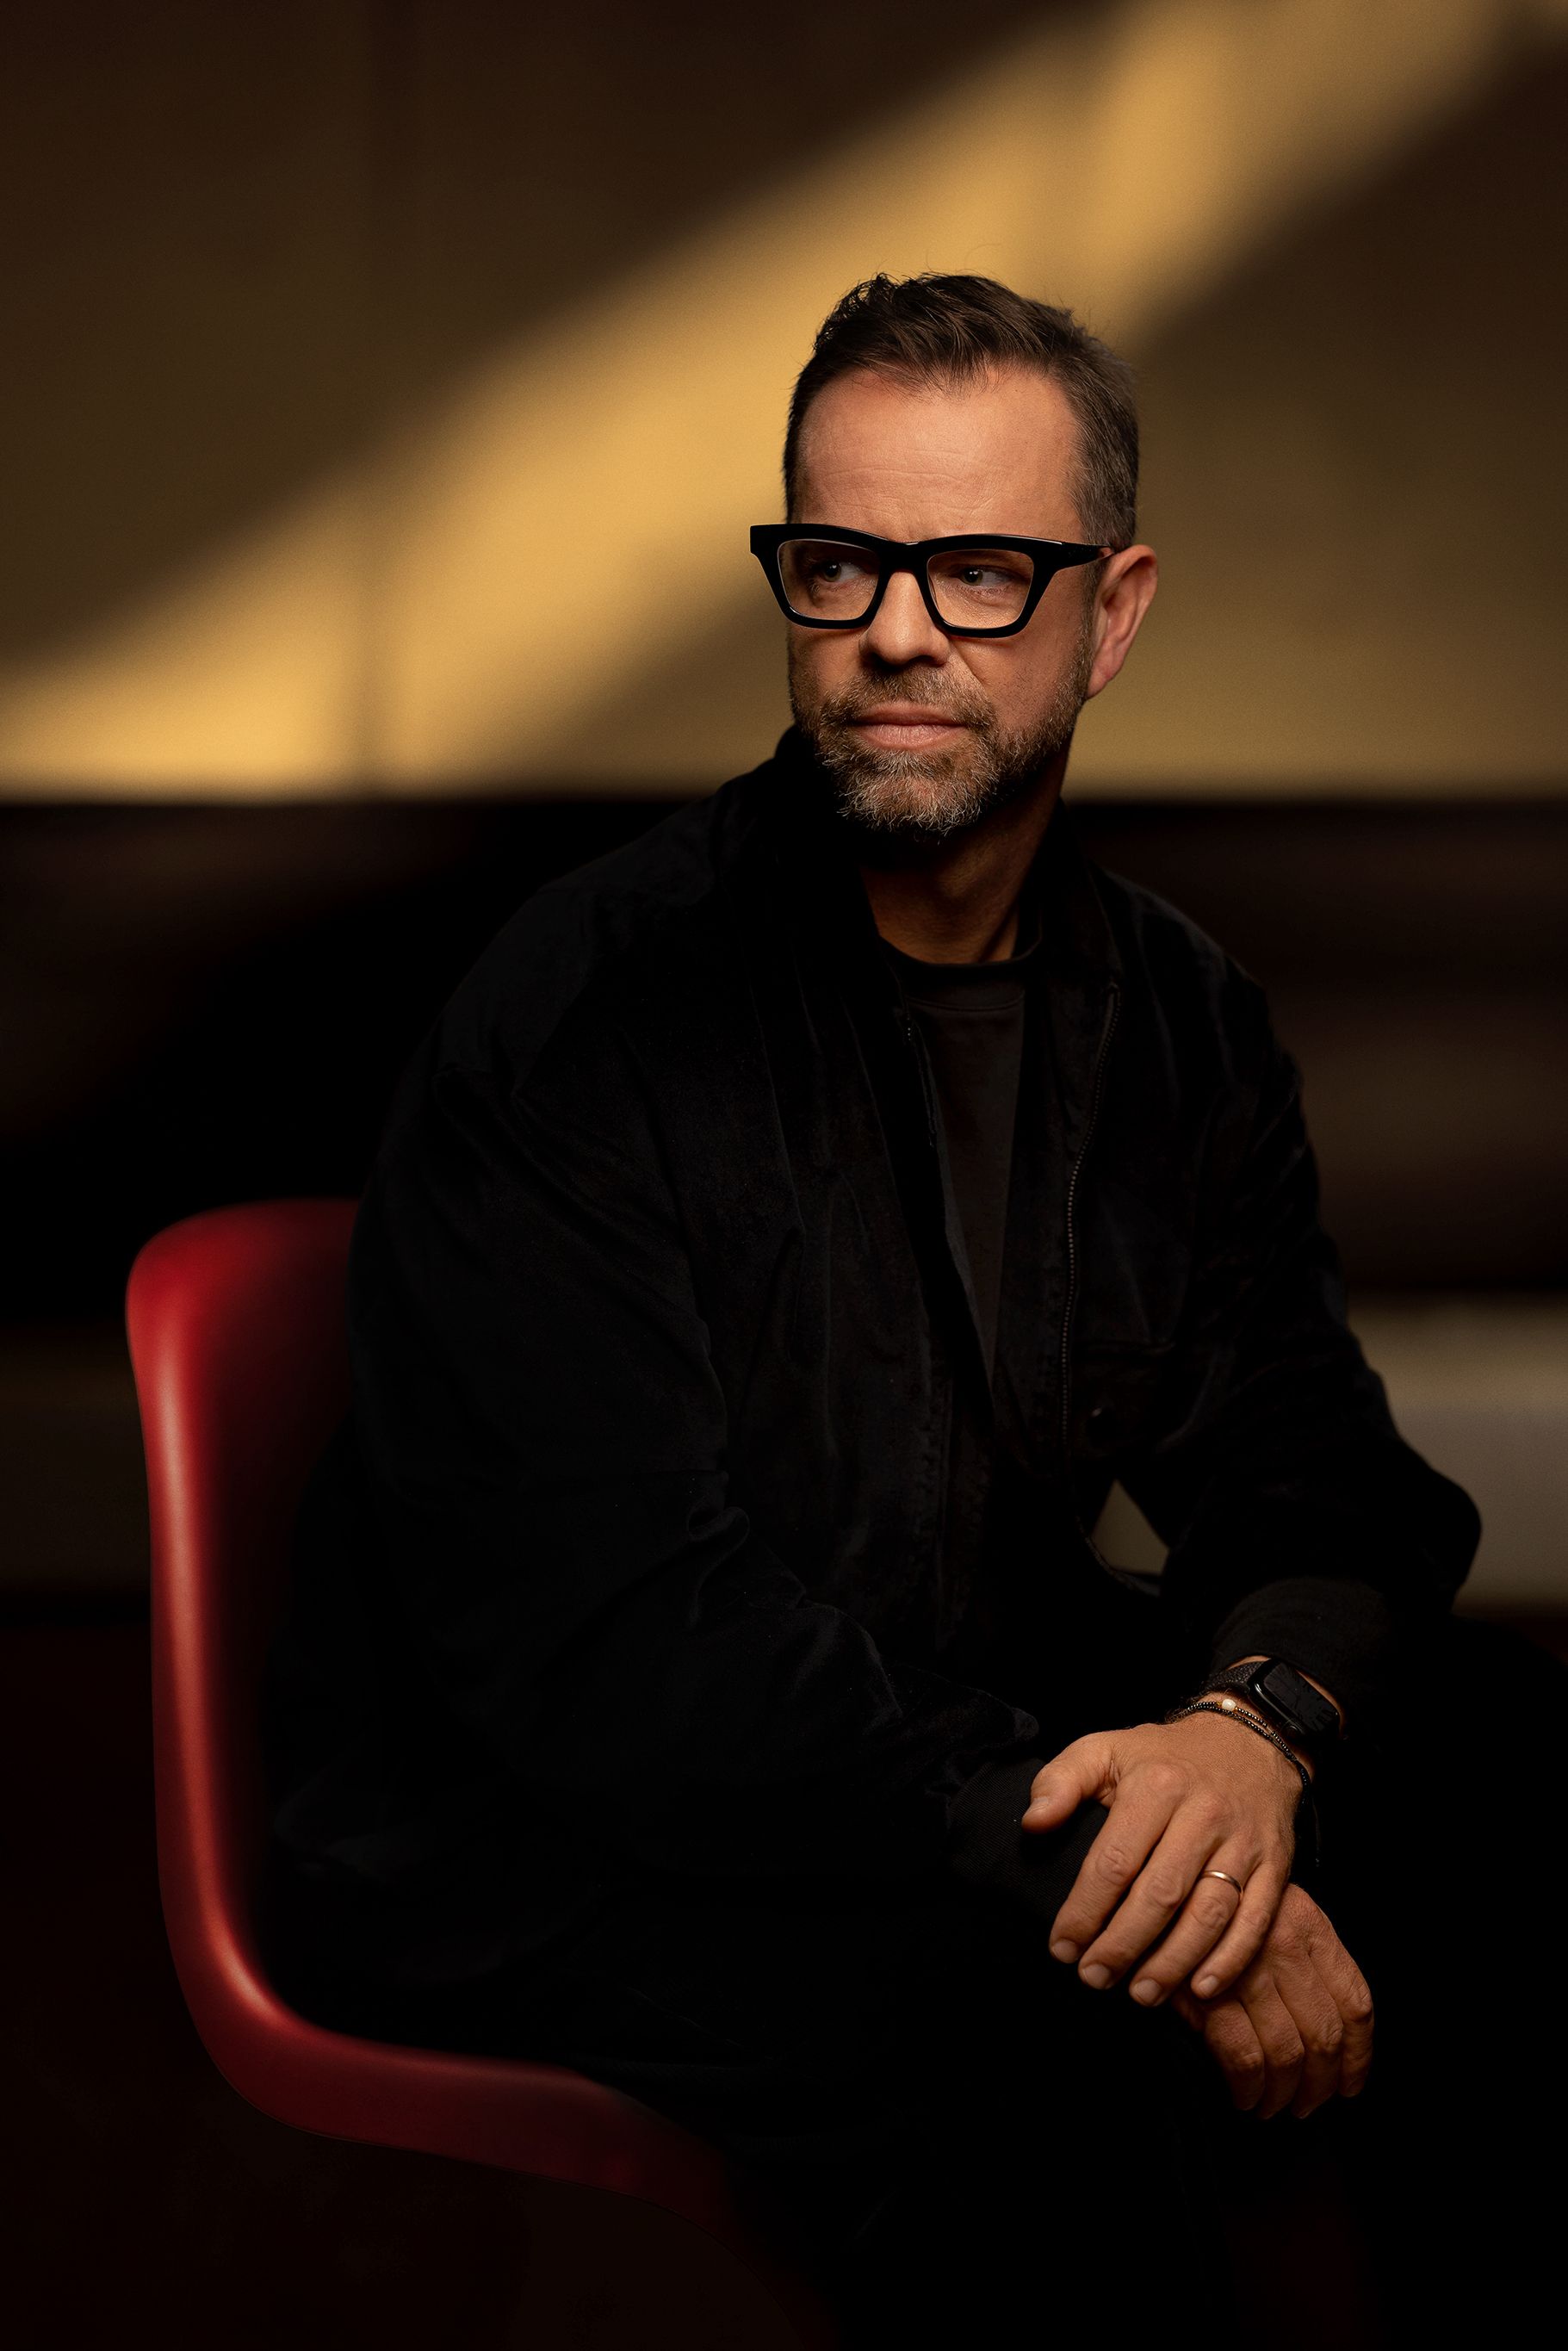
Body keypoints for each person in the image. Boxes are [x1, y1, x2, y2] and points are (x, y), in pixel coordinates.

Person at [263, 275, 1544, 2342]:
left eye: (978, 568)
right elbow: (629, 1641)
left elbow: (1310, 1479)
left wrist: (1247, 1739)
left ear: (1110, 615)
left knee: (1507, 1788)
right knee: (1051, 2011)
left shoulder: (1175, 1020)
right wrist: (1122, 1879)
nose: (893, 628)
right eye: (838, 560)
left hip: (941, 1740)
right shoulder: (588, 1006)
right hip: (550, 1823)